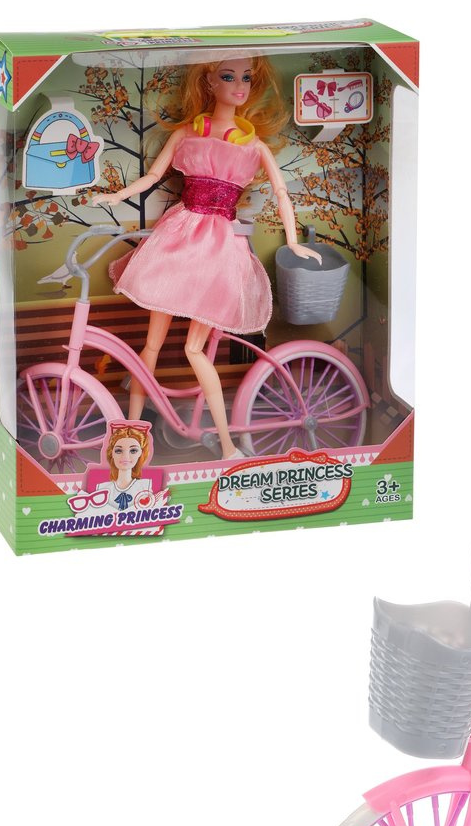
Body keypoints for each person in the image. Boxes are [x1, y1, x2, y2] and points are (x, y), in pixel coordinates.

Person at [92, 56, 321, 460]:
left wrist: (293, 241)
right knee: (151, 346)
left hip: (218, 246)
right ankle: (130, 437)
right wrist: (116, 195)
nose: (239, 86)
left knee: (193, 350)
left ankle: (228, 445)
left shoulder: (254, 146)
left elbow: (283, 194)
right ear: (209, 81)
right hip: (179, 236)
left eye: (246, 77)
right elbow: (152, 177)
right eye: (228, 76)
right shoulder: (187, 133)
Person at [97, 422, 153, 512]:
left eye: (133, 450)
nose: (125, 457)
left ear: (141, 453)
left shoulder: (145, 486)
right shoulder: (102, 488)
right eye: (118, 451)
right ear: (112, 453)